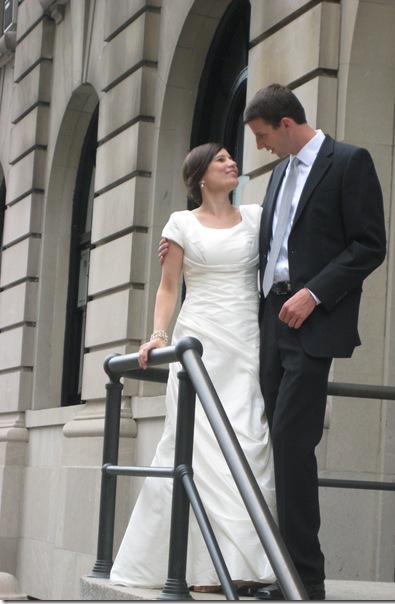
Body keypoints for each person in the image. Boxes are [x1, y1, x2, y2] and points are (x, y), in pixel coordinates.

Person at [240, 83, 387, 601]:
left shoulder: (349, 162)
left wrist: (315, 294)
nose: (259, 147)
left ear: (286, 124)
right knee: (278, 444)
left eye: (262, 135)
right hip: (271, 320)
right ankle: (287, 571)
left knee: (292, 443)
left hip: (312, 322)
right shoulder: (279, 173)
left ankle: (304, 579)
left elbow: (370, 244)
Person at [109, 142, 277, 595]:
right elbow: (169, 288)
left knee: (248, 440)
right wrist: (158, 335)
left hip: (245, 341)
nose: (231, 162)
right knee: (196, 448)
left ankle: (245, 565)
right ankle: (202, 569)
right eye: (221, 159)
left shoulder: (257, 217)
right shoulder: (180, 224)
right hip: (198, 341)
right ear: (201, 175)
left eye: (231, 157)